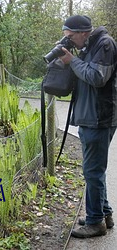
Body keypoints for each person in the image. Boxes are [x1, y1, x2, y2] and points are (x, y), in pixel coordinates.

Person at [59, 15, 117, 238]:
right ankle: (104, 214)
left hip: (99, 118)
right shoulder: (88, 46)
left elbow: (96, 77)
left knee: (92, 171)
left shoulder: (105, 44)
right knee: (94, 171)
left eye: (71, 37)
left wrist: (72, 61)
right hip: (89, 117)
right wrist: (69, 60)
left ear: (83, 32)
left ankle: (95, 223)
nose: (70, 41)